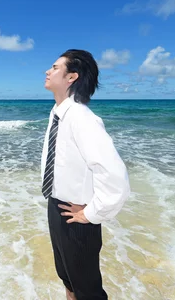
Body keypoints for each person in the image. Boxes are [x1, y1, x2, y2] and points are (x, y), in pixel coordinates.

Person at [41, 49, 130, 299]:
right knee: (69, 281)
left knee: (88, 292)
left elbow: (115, 178)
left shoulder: (82, 118)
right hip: (57, 206)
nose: (48, 71)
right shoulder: (58, 113)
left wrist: (91, 213)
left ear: (72, 77)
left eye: (56, 68)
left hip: (77, 215)